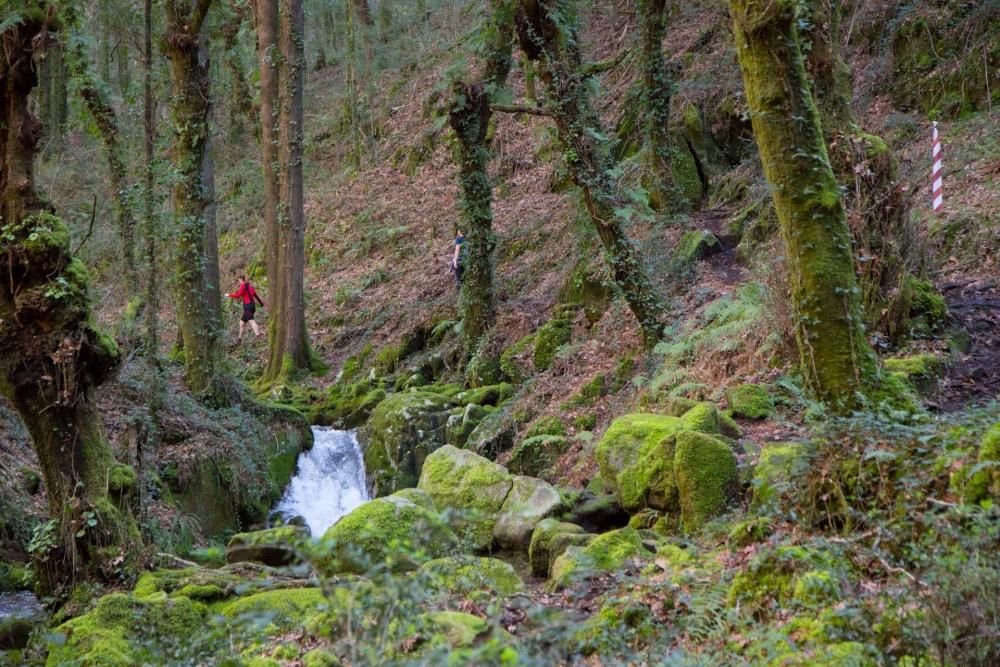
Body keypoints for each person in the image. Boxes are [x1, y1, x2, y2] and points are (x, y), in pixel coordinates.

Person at [227, 274, 265, 342]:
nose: (239, 282)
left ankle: (258, 336)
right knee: (241, 323)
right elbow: (256, 296)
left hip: (247, 307)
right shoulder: (250, 286)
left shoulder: (243, 285)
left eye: (239, 280)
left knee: (252, 322)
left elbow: (238, 295)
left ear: (241, 279)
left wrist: (228, 295)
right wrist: (261, 304)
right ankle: (239, 339)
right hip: (252, 306)